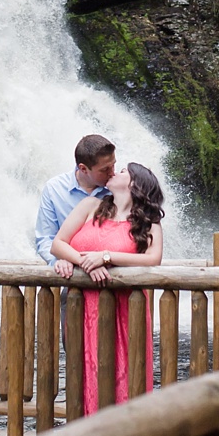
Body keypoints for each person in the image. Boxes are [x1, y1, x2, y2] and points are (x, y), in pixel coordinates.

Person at [51, 161, 165, 413]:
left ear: (135, 184)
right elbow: (58, 243)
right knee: (83, 367)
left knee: (124, 368)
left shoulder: (149, 222)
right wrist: (82, 262)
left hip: (124, 307)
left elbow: (153, 259)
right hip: (82, 304)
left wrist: (106, 256)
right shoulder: (90, 206)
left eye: (123, 171)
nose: (115, 172)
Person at [35, 134, 116, 276]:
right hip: (73, 279)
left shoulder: (118, 187)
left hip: (113, 274)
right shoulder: (54, 189)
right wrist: (58, 260)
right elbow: (46, 238)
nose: (112, 173)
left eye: (113, 165)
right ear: (83, 168)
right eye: (105, 170)